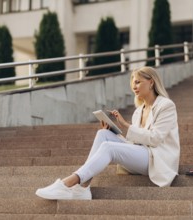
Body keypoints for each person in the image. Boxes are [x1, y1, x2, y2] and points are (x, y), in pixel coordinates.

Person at [35, 66, 180, 200]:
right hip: (142, 154)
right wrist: (114, 132)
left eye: (137, 82)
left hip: (156, 160)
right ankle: (83, 189)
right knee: (103, 135)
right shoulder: (138, 111)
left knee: (108, 147)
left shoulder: (166, 105)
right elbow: (136, 143)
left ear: (151, 82)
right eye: (133, 83)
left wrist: (125, 125)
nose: (134, 87)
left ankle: (68, 184)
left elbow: (155, 139)